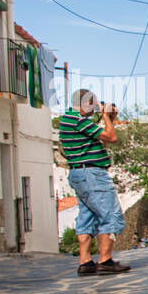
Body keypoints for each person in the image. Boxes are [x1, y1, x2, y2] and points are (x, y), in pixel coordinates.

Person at [58, 89, 130, 276]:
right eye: (94, 104)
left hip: (80, 173)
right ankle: (105, 260)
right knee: (110, 215)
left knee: (87, 216)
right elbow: (111, 138)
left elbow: (100, 141)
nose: (95, 109)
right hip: (91, 174)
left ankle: (85, 262)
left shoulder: (70, 120)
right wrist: (106, 116)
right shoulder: (78, 121)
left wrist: (108, 119)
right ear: (86, 102)